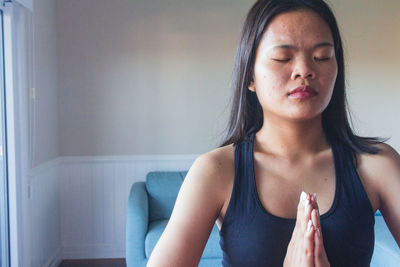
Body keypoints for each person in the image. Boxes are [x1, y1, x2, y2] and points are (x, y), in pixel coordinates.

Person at [147, 0, 400, 266]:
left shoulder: (377, 165)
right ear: (251, 76)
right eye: (283, 58)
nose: (304, 70)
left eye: (322, 56)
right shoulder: (216, 171)